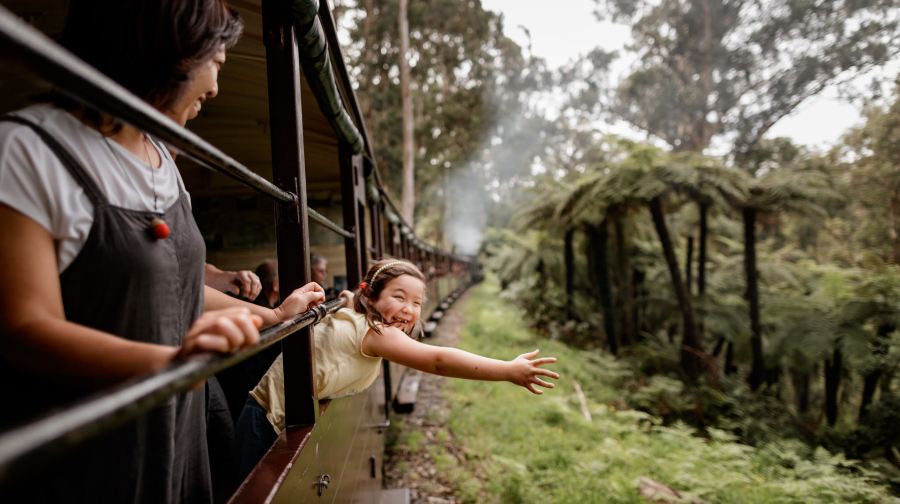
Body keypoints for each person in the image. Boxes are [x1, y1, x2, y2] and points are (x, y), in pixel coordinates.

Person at [0, 1, 324, 502]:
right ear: (168, 51)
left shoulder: (162, 158)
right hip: (89, 456)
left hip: (178, 433)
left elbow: (177, 285)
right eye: (214, 62)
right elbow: (23, 330)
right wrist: (171, 362)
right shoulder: (26, 149)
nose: (215, 87)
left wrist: (272, 314)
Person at [235, 259, 560, 476]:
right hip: (264, 425)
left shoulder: (358, 317)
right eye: (399, 297)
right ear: (372, 297)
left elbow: (350, 307)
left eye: (417, 302)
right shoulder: (376, 333)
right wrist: (507, 370)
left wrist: (351, 301)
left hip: (262, 417)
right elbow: (437, 360)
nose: (409, 309)